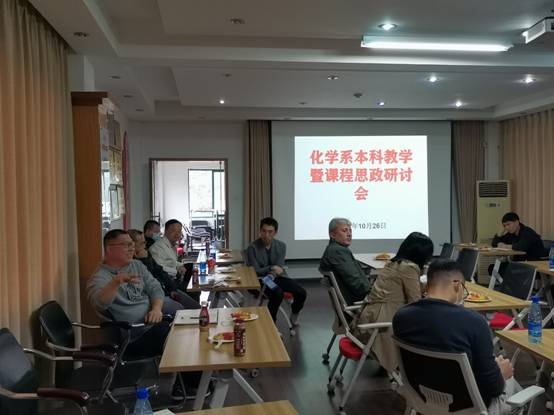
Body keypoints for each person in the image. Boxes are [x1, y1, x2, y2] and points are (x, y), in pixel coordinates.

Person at [393, 259, 521, 415]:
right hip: (470, 408)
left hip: (420, 400)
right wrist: (501, 374)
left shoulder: (401, 317)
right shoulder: (474, 322)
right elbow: (493, 388)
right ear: (457, 285)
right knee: (515, 387)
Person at [87, 229, 201, 400]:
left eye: (132, 244)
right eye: (126, 245)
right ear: (109, 249)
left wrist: (156, 309)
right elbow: (99, 302)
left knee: (191, 325)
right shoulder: (100, 277)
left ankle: (196, 380)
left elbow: (155, 288)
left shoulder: (136, 265)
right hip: (133, 335)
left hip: (152, 322)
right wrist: (116, 282)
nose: (131, 248)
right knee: (180, 334)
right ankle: (187, 387)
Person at [352, 232, 434, 372]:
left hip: (369, 317)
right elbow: (415, 302)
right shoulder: (409, 267)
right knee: (431, 320)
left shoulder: (393, 263)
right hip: (383, 324)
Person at [246, 217, 307, 324]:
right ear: (260, 231)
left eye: (270, 232)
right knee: (277, 293)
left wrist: (273, 270)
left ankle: (295, 312)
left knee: (301, 292)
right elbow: (255, 271)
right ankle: (271, 321)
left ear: (275, 232)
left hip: (278, 277)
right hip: (262, 279)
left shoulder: (281, 246)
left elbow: (279, 268)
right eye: (264, 231)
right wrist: (271, 268)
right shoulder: (252, 248)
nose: (266, 235)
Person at [128, 229, 200, 312]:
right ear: (132, 245)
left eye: (144, 242)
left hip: (165, 289)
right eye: (142, 243)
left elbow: (160, 271)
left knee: (196, 307)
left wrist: (172, 289)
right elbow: (150, 281)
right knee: (180, 309)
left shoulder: (146, 254)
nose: (144, 246)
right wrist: (145, 260)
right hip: (153, 298)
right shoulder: (133, 263)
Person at [319, 217, 372, 305]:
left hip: (355, 298)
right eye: (344, 231)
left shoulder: (333, 249)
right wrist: (373, 291)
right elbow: (356, 283)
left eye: (350, 231)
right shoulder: (338, 251)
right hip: (360, 300)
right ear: (332, 235)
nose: (349, 234)